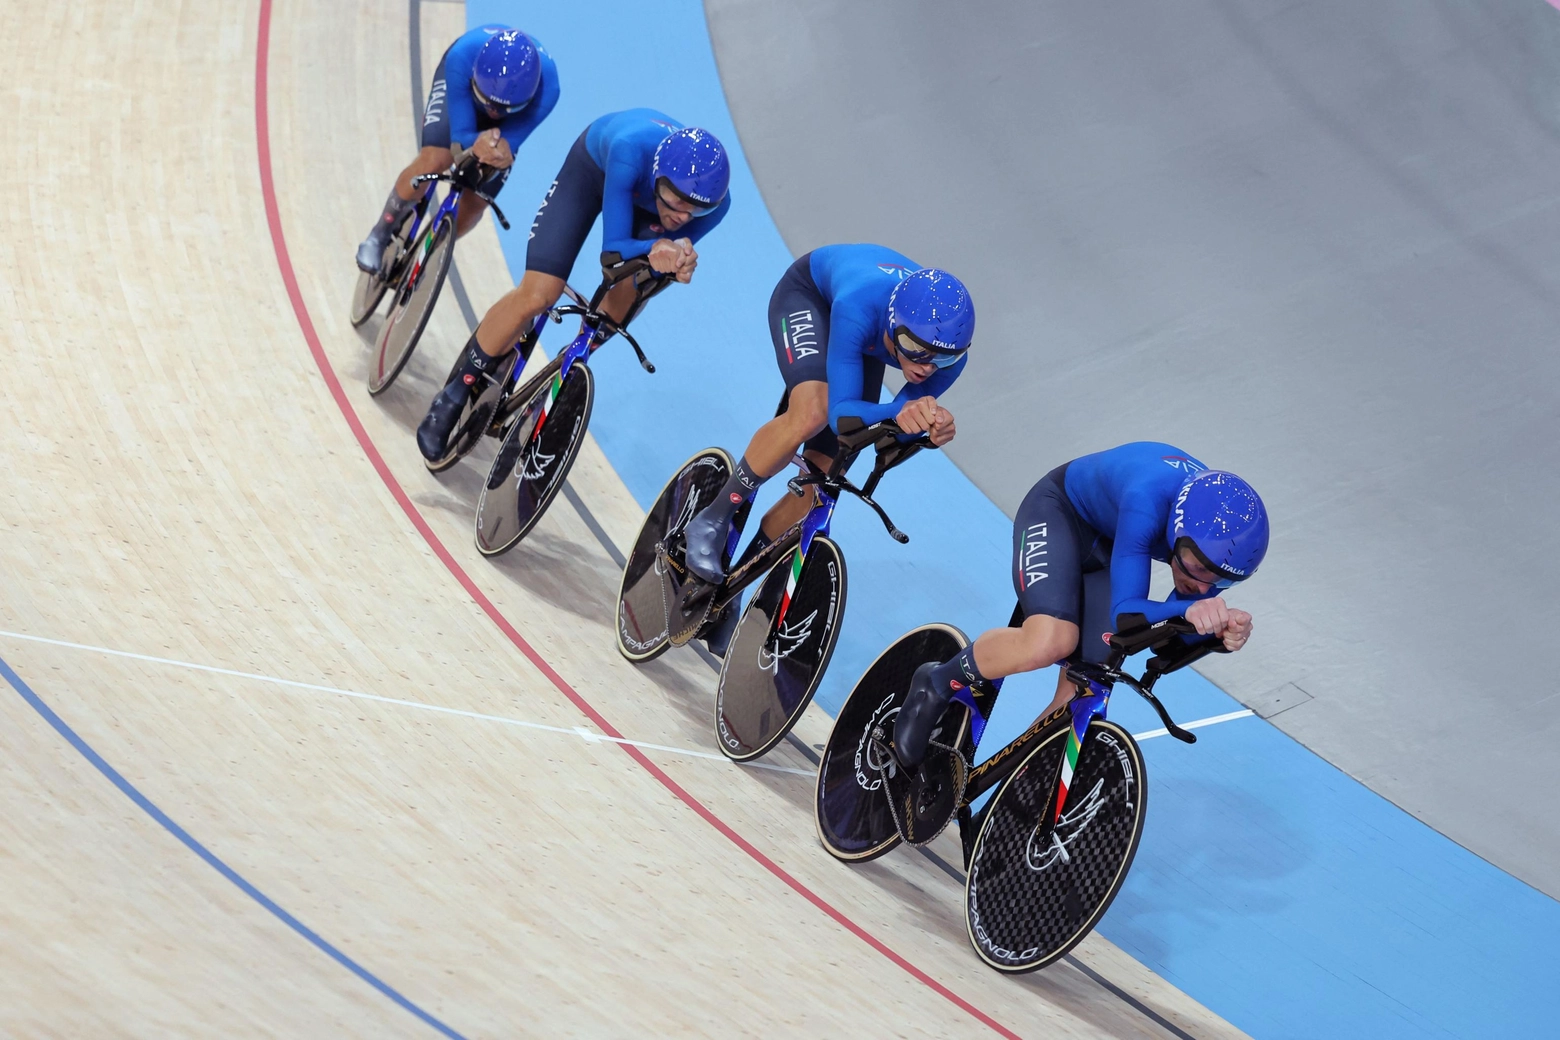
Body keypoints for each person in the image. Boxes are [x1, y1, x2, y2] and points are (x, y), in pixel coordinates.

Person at [893, 443, 1269, 769]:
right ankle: (935, 683)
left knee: (1085, 687)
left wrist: (1215, 636)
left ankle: (1016, 787)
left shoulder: (1204, 547)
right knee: (1051, 641)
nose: (1202, 584)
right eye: (1196, 567)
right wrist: (1188, 612)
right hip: (1059, 512)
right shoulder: (1148, 500)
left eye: (1220, 580)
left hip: (1111, 545)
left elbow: (1161, 643)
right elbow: (1128, 615)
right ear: (1176, 529)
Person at [680, 244, 975, 654]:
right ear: (896, 324)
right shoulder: (860, 304)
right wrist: (901, 408)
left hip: (870, 342)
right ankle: (713, 517)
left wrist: (927, 431)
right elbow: (842, 416)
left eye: (941, 359)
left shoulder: (945, 356)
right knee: (812, 412)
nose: (926, 367)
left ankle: (734, 590)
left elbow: (892, 431)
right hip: (813, 299)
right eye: (917, 350)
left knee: (824, 479)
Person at [416, 109, 732, 462]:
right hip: (594, 172)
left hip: (645, 204)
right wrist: (655, 248)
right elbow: (612, 253)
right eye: (677, 201)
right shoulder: (629, 151)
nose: (683, 216)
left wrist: (675, 265)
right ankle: (457, 389)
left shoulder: (714, 207)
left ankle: (565, 377)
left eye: (697, 210)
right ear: (658, 175)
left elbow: (653, 266)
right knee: (539, 293)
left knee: (626, 298)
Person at [355, 26, 560, 273]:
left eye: (501, 108)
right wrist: (474, 144)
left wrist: (502, 148)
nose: (493, 112)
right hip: (462, 98)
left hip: (508, 125)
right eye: (489, 103)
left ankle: (431, 249)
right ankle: (379, 234)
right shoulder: (461, 58)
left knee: (477, 199)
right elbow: (460, 137)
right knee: (435, 159)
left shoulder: (549, 90)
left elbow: (509, 142)